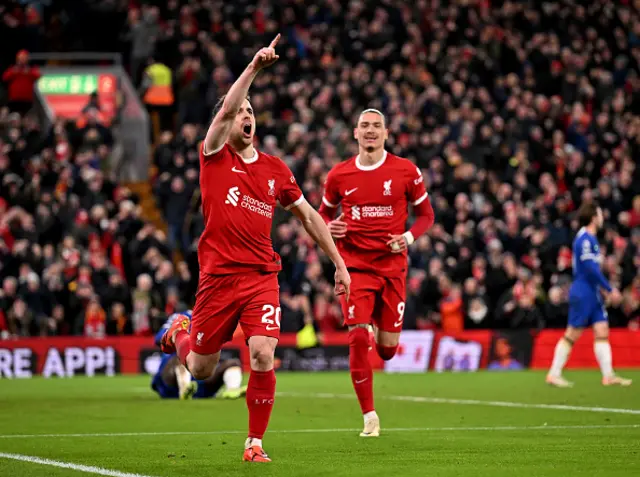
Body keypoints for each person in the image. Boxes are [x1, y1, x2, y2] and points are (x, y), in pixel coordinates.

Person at [159, 35, 351, 463]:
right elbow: (227, 107)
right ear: (226, 124)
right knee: (201, 368)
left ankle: (254, 444)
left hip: (261, 276)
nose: (246, 115)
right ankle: (178, 332)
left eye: (251, 112)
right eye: (240, 111)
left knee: (263, 353)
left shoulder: (275, 170)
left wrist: (338, 262)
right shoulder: (212, 156)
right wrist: (253, 68)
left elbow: (309, 217)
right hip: (217, 278)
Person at [318, 108, 435, 437]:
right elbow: (320, 216)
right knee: (357, 336)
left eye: (376, 126)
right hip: (354, 267)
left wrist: (408, 237)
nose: (370, 131)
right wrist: (331, 226)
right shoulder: (338, 175)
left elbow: (426, 215)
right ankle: (369, 416)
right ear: (355, 133)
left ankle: (378, 338)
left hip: (392, 269)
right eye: (364, 126)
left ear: (386, 133)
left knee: (386, 349)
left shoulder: (405, 171)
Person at [546, 202, 632, 387]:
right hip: (583, 292)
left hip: (592, 293)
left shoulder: (590, 238)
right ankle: (554, 373)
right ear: (594, 217)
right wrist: (609, 289)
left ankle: (608, 375)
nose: (602, 218)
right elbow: (590, 269)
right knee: (572, 334)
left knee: (602, 331)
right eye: (600, 214)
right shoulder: (585, 239)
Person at [151, 311, 247, 400]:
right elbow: (160, 338)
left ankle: (232, 390)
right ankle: (184, 388)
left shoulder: (215, 316)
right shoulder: (183, 316)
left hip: (201, 379)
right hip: (172, 381)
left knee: (232, 363)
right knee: (181, 356)